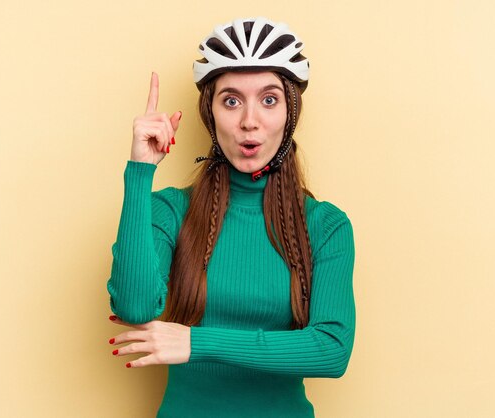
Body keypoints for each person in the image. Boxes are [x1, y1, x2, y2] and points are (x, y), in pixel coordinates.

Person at [106, 16, 355, 418]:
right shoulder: (170, 210)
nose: (249, 121)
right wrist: (140, 172)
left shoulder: (326, 226)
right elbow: (135, 308)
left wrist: (196, 343)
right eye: (232, 100)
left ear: (289, 114)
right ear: (211, 113)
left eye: (269, 99)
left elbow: (331, 351)